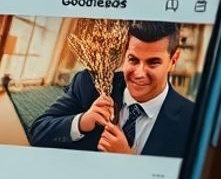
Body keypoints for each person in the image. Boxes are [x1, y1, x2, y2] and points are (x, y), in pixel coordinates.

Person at [28, 21, 193, 157]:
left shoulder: (191, 119)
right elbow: (37, 132)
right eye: (133, 60)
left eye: (153, 63)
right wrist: (82, 122)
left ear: (174, 60)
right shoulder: (88, 83)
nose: (139, 73)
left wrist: (129, 164)